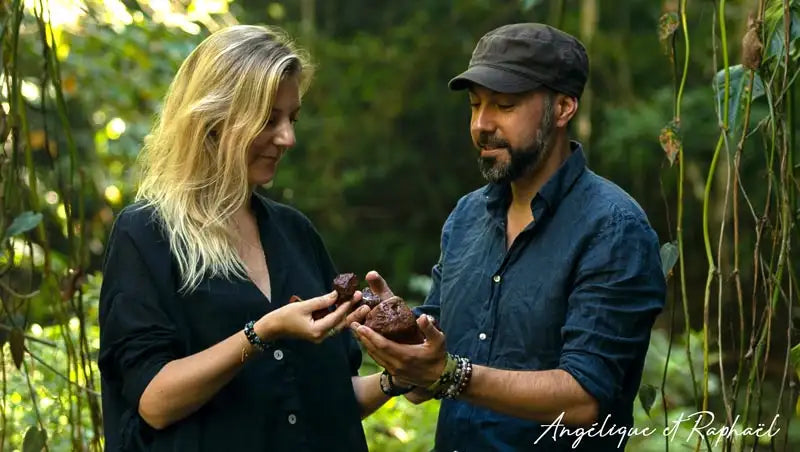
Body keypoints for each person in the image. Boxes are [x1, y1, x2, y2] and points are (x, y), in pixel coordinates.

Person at [350, 23, 666, 451]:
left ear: (563, 108)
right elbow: (428, 371)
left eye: (504, 105)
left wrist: (449, 374)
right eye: (475, 105)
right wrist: (403, 336)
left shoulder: (612, 228)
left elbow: (585, 398)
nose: (481, 124)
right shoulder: (466, 217)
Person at [98, 25, 394, 452]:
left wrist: (397, 376)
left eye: (292, 118)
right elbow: (154, 402)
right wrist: (262, 332)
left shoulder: (295, 233)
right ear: (213, 119)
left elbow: (328, 398)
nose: (288, 138)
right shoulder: (145, 234)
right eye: (268, 119)